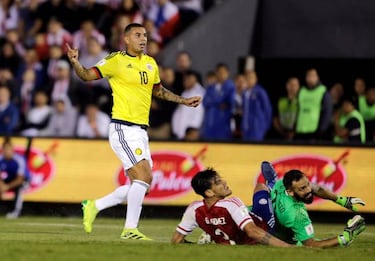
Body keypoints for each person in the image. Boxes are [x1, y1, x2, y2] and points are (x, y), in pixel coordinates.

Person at [66, 23, 201, 240]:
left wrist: (183, 100)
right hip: (122, 127)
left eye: (145, 35)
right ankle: (130, 229)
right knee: (144, 176)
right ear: (126, 39)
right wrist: (75, 62)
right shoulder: (116, 60)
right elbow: (87, 76)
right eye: (138, 35)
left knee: (142, 185)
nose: (143, 39)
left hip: (140, 131)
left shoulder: (150, 63)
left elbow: (159, 91)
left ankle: (94, 205)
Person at [171, 168, 291, 246]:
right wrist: (288, 247)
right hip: (266, 227)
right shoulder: (231, 203)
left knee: (261, 189)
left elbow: (176, 240)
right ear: (209, 193)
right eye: (218, 182)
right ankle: (270, 185)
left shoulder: (193, 209)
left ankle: (272, 185)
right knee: (260, 187)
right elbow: (253, 232)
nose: (224, 182)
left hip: (254, 224)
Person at [263, 162, 366, 247]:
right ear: (290, 192)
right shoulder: (297, 215)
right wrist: (345, 237)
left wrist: (342, 200)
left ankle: (271, 183)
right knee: (301, 243)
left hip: (265, 216)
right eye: (302, 189)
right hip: (277, 236)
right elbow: (311, 245)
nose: (309, 190)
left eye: (307, 184)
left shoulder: (282, 184)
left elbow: (317, 189)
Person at [295, 68, 333, 141]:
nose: (310, 78)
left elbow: (327, 113)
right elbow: (297, 110)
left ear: (317, 77)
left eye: (313, 76)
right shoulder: (301, 91)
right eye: (308, 76)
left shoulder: (323, 92)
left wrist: (321, 131)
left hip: (315, 133)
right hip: (300, 131)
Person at [201, 63, 235, 141]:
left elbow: (230, 103)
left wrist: (213, 102)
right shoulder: (210, 87)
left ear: (227, 73)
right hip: (209, 125)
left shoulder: (230, 87)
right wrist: (218, 102)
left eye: (223, 72)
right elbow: (205, 102)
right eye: (219, 72)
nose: (221, 75)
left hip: (223, 125)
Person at [171, 70, 205, 141]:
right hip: (181, 134)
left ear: (193, 79)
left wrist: (193, 130)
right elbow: (179, 114)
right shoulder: (185, 93)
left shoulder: (199, 93)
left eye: (186, 79)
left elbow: (198, 114)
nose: (184, 82)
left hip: (191, 133)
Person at [0, 138, 28, 219]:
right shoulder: (0, 159)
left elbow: (20, 179)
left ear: (12, 150)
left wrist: (7, 187)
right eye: (5, 149)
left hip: (20, 180)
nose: (7, 151)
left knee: (19, 188)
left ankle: (16, 211)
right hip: (6, 180)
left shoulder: (19, 160)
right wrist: (1, 185)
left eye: (9, 149)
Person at [241, 70, 272, 141]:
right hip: (246, 126)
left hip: (257, 126)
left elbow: (267, 108)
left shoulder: (260, 92)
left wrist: (266, 125)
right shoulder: (244, 93)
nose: (249, 80)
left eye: (251, 78)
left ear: (255, 79)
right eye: (247, 78)